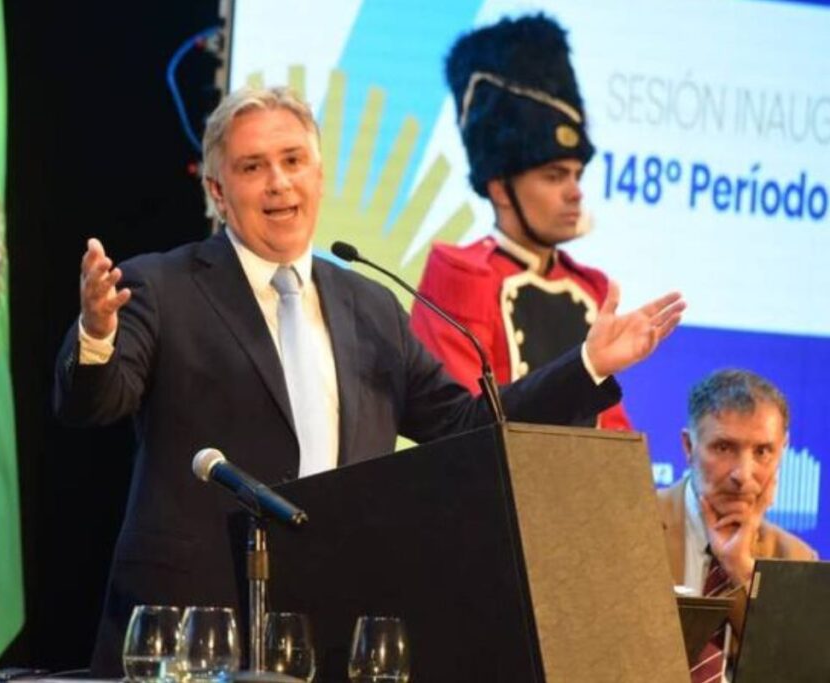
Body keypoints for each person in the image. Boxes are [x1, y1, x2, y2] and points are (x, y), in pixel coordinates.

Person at [53, 85, 685, 674]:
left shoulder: (370, 305)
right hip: (195, 623)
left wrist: (587, 365)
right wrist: (97, 333)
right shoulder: (162, 285)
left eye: (294, 161)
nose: (279, 183)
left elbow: (467, 426)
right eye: (252, 167)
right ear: (219, 191)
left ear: (319, 176)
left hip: (329, 622)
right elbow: (96, 401)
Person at [411, 14, 632, 430]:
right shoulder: (462, 274)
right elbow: (459, 424)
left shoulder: (591, 288)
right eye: (554, 176)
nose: (575, 192)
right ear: (500, 188)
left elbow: (613, 432)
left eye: (576, 175)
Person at [657, 369, 816, 681]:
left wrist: (743, 571)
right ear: (689, 446)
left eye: (762, 452)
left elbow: (799, 672)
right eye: (723, 448)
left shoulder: (796, 559)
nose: (743, 474)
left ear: (782, 451)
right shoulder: (633, 528)